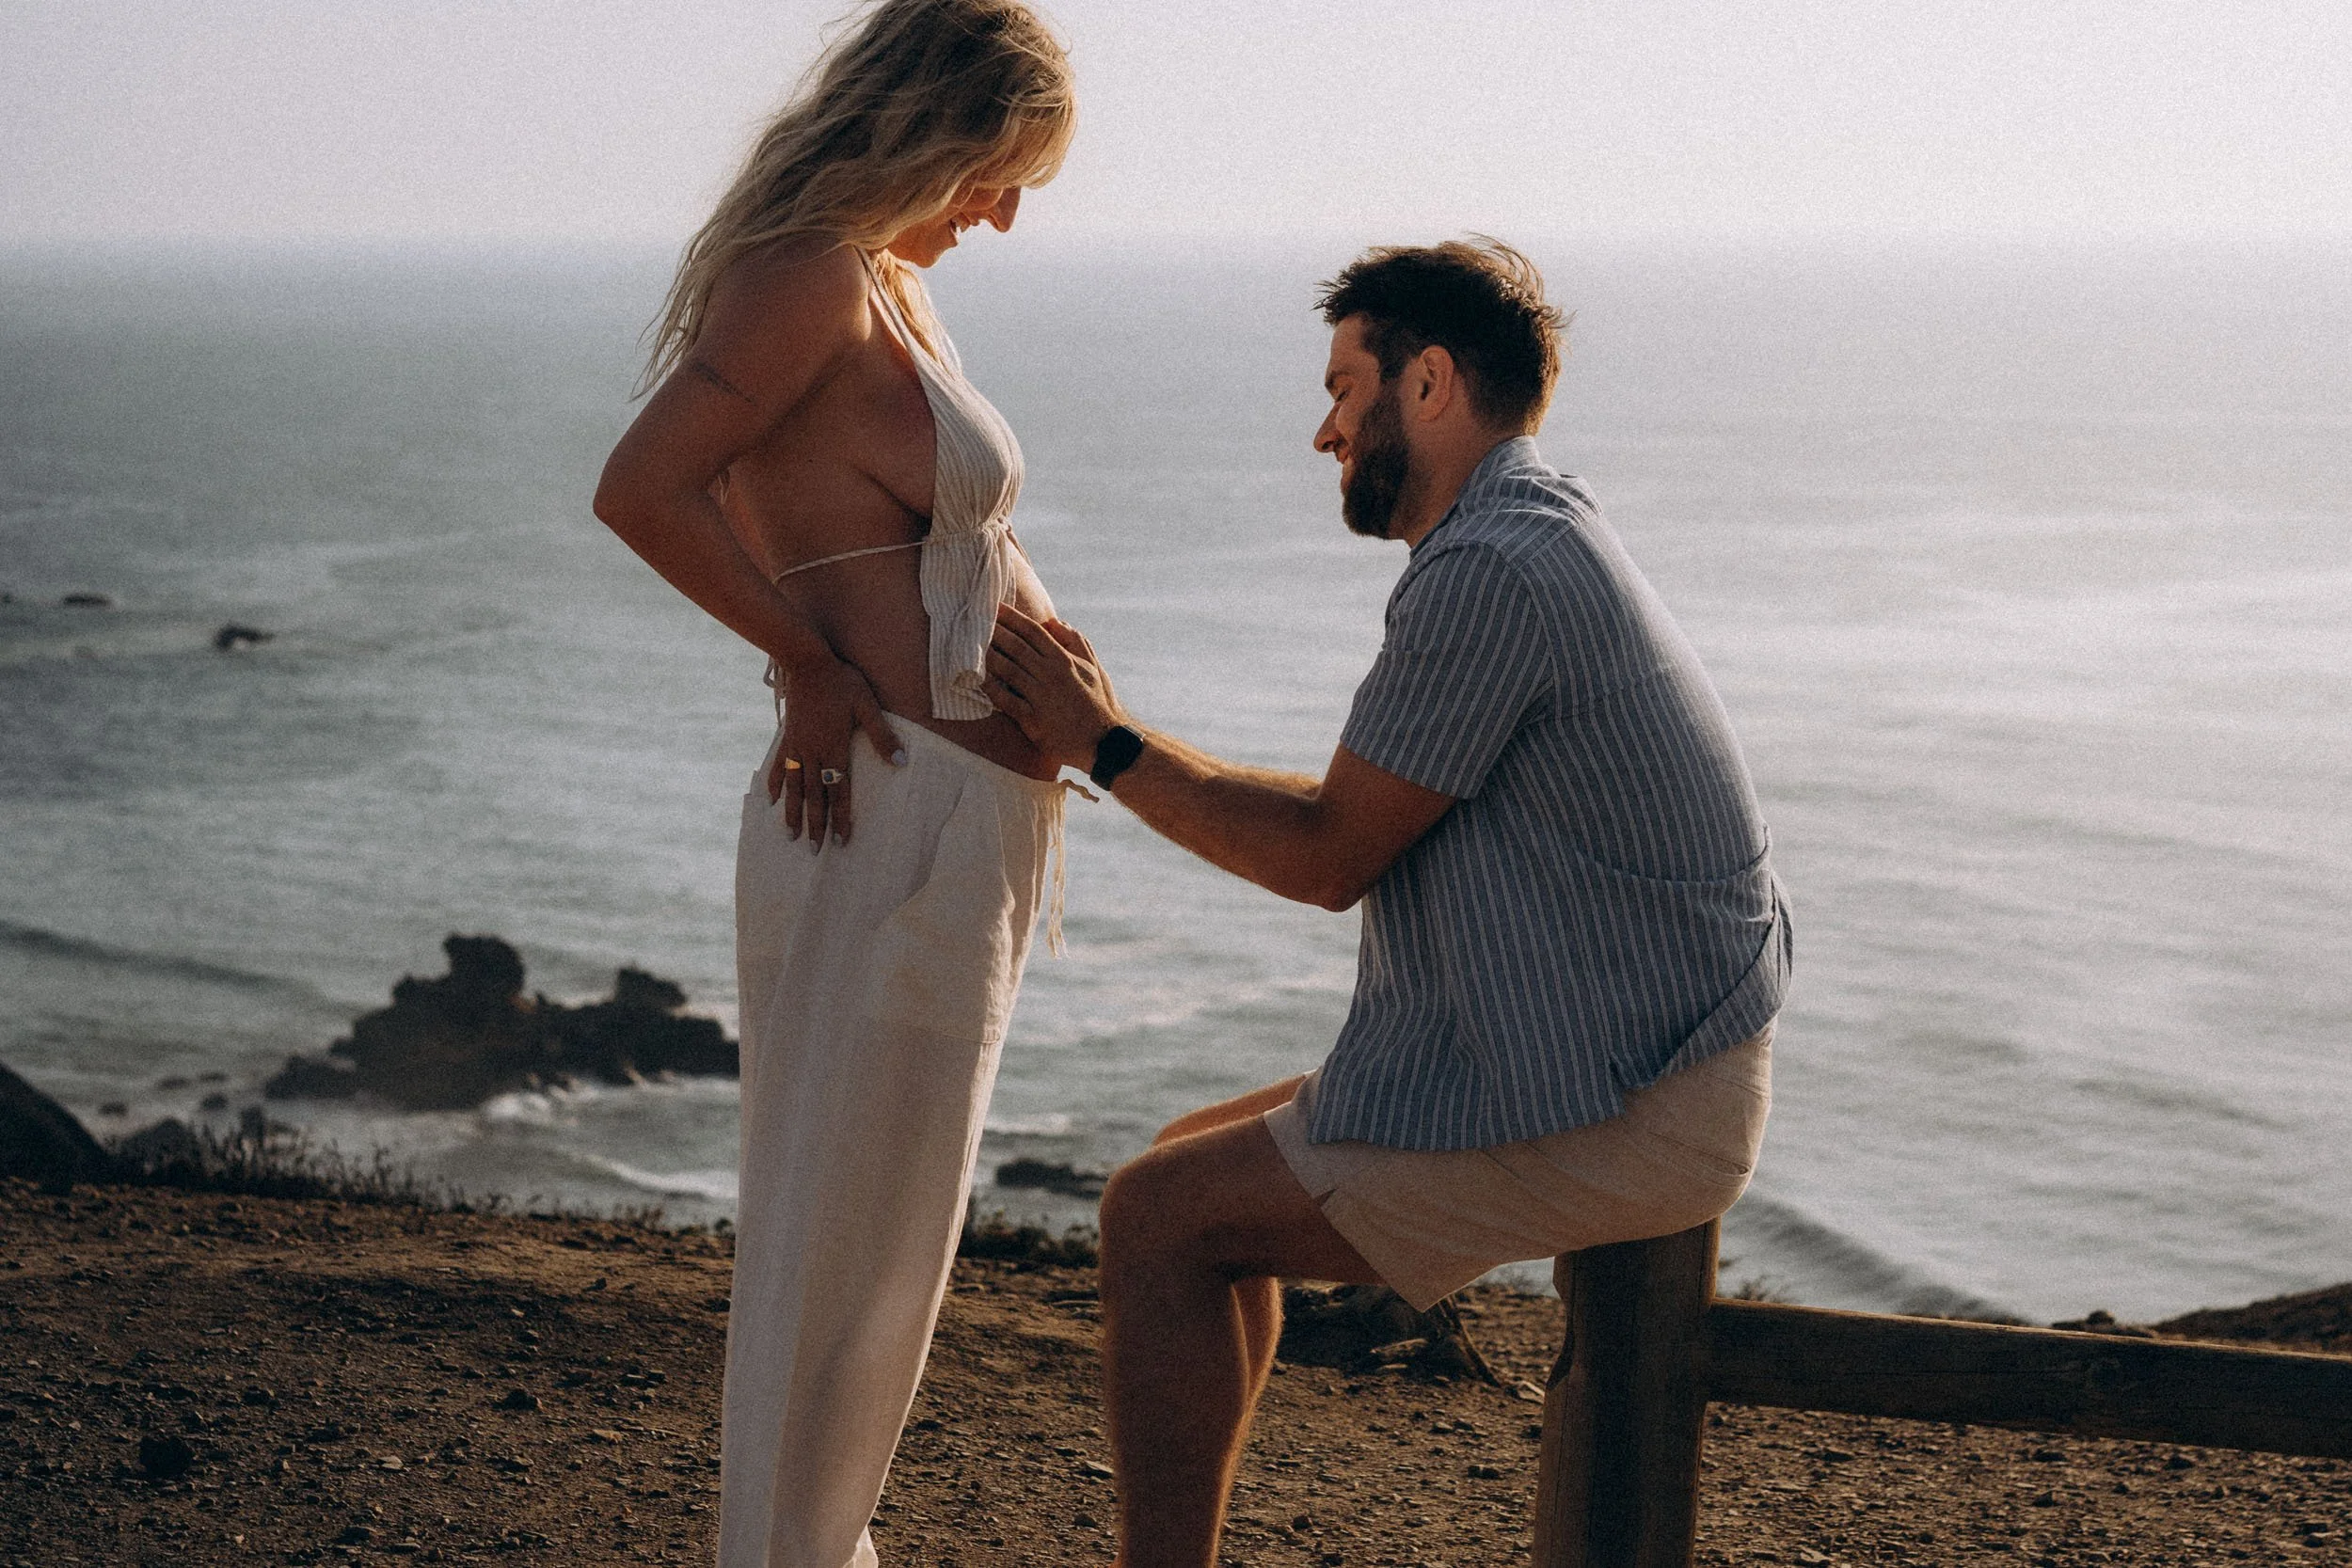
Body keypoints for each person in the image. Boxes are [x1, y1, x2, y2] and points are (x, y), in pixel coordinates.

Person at [984, 238, 1793, 1568]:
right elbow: (1352, 814)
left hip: (1631, 1098)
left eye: (1342, 387)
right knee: (1184, 1161)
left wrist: (1103, 741)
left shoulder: (1491, 574)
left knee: (1155, 1220)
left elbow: (1324, 854)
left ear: (1426, 384)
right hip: (1632, 1052)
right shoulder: (1535, 524)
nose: (1324, 430)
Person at [590, 4, 1077, 1563]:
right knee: (839, 1251)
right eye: (1001, 172)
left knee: (888, 1263)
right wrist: (802, 660)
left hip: (958, 820)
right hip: (889, 813)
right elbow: (640, 487)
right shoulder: (803, 278)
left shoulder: (891, 288)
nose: (1001, 212)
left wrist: (1062, 662)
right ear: (934, 124)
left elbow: (954, 544)